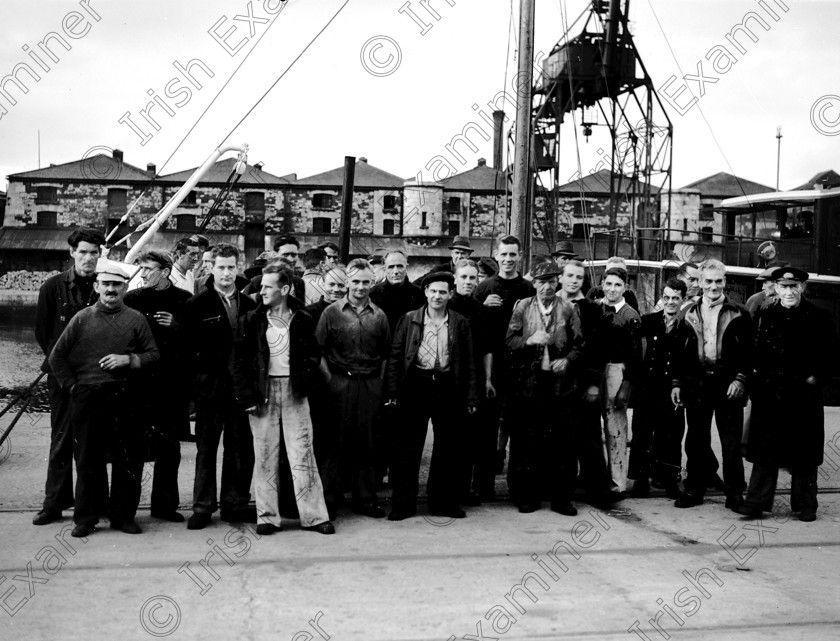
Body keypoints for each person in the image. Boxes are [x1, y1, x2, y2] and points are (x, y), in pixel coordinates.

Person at [49, 259, 159, 537]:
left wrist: (129, 359)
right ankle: (86, 518)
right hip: (88, 398)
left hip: (126, 398)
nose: (111, 289)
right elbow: (56, 357)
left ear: (125, 288)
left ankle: (123, 516)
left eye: (117, 285)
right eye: (106, 284)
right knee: (88, 459)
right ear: (97, 286)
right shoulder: (82, 318)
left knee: (128, 460)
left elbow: (154, 355)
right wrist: (74, 388)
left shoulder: (136, 319)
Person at [232, 264, 334, 535]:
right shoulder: (251, 320)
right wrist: (247, 396)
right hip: (262, 394)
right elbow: (239, 361)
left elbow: (313, 355)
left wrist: (305, 380)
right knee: (265, 454)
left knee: (302, 453)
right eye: (261, 286)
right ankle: (267, 517)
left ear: (285, 289)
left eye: (267, 286)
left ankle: (314, 517)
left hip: (294, 392)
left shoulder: (302, 318)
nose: (261, 290)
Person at [737, 267, 837, 522]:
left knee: (804, 451)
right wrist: (757, 382)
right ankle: (756, 503)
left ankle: (806, 505)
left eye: (794, 287)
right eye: (784, 286)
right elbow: (753, 351)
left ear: (803, 287)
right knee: (764, 451)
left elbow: (832, 356)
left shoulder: (819, 317)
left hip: (803, 396)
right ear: (776, 288)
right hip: (770, 394)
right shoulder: (764, 314)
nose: (789, 292)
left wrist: (817, 377)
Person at [386, 271, 479, 521]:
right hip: (415, 385)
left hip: (447, 386)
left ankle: (442, 503)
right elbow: (396, 357)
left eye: (442, 292)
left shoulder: (459, 322)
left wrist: (471, 396)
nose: (437, 296)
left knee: (447, 448)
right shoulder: (409, 319)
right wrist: (393, 391)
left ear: (450, 294)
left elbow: (469, 361)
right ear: (426, 292)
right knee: (408, 447)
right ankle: (403, 505)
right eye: (433, 291)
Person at [32, 227, 106, 526]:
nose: (89, 258)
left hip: (97, 378)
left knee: (95, 442)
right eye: (83, 252)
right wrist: (63, 370)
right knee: (61, 439)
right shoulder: (53, 287)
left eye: (94, 252)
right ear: (72, 253)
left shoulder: (106, 285)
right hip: (63, 378)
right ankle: (55, 503)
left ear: (101, 254)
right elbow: (43, 333)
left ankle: (96, 502)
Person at [183, 244, 258, 529]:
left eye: (231, 267)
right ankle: (202, 507)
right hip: (209, 391)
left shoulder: (251, 306)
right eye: (221, 267)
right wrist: (195, 391)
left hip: (240, 392)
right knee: (206, 449)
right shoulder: (196, 306)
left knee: (239, 448)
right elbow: (186, 353)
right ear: (211, 268)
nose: (226, 273)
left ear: (238, 268)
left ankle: (234, 504)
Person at [671, 259, 751, 510]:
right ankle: (694, 490)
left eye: (718, 281)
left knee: (731, 442)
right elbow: (678, 354)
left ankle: (735, 493)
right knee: (696, 439)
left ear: (725, 282)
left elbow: (749, 353)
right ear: (700, 283)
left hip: (728, 384)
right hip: (696, 384)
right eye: (708, 281)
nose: (713, 286)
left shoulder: (740, 312)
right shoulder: (687, 313)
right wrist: (676, 383)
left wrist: (740, 379)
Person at [505, 262, 584, 515]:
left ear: (558, 282)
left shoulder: (569, 309)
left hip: (560, 386)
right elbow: (509, 341)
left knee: (562, 444)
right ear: (535, 283)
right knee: (527, 442)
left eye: (552, 281)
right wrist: (528, 340)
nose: (547, 286)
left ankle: (562, 499)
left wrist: (568, 359)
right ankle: (526, 496)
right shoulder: (522, 306)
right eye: (542, 281)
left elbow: (580, 344)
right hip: (529, 384)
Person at [315, 258, 391, 518]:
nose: (360, 287)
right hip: (339, 383)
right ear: (347, 281)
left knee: (366, 444)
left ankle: (366, 500)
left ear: (373, 283)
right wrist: (331, 381)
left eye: (366, 282)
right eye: (355, 281)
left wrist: (378, 385)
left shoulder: (379, 316)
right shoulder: (332, 312)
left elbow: (385, 355)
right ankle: (329, 501)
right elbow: (319, 351)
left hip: (368, 385)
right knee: (334, 445)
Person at [124, 250, 193, 522]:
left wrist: (176, 326)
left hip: (171, 387)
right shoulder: (132, 300)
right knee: (134, 448)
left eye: (148, 269)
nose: (142, 274)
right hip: (139, 385)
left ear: (165, 271)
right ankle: (127, 509)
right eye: (140, 268)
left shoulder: (184, 301)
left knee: (169, 448)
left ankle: (164, 507)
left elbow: (193, 346)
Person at [474, 235, 535, 480]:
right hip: (493, 363)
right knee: (488, 425)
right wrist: (482, 306)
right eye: (504, 254)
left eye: (513, 254)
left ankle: (518, 486)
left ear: (519, 256)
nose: (508, 259)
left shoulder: (528, 289)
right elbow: (471, 326)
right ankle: (484, 482)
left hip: (521, 365)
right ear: (497, 256)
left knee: (519, 425)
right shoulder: (484, 288)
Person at [628, 278, 691, 499]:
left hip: (673, 390)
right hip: (647, 388)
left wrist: (679, 384)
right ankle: (640, 480)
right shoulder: (648, 321)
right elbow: (635, 352)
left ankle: (671, 482)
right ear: (661, 298)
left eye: (675, 298)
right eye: (667, 297)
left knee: (671, 436)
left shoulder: (687, 326)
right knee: (641, 435)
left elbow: (689, 361)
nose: (670, 302)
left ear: (683, 300)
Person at [558, 260, 611, 505]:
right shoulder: (550, 303)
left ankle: (597, 491)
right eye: (569, 275)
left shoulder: (592, 309)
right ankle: (561, 492)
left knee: (589, 438)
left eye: (578, 277)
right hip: (555, 382)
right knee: (561, 439)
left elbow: (599, 351)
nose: (574, 280)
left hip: (584, 382)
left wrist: (593, 385)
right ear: (561, 277)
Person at [304, 264, 348, 517]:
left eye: (341, 285)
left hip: (346, 383)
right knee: (319, 443)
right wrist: (328, 377)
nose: (336, 289)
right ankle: (318, 497)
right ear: (322, 283)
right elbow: (311, 352)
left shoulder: (350, 312)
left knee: (338, 443)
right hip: (320, 387)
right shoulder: (310, 314)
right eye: (331, 284)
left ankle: (334, 492)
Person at [449, 259, 493, 504]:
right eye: (463, 277)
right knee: (452, 437)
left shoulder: (481, 310)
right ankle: (451, 490)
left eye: (472, 278)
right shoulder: (446, 306)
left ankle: (468, 490)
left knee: (472, 437)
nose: (467, 282)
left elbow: (487, 348)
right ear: (455, 279)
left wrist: (487, 379)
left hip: (474, 378)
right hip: (450, 377)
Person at [598, 267, 642, 500]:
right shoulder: (595, 309)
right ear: (602, 284)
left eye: (617, 285)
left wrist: (626, 385)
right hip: (596, 368)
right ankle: (595, 477)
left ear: (624, 287)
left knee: (615, 426)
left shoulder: (630, 315)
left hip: (618, 369)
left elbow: (635, 356)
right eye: (608, 284)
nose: (612, 289)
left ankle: (617, 482)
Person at [370, 250, 425, 332]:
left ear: (406, 268)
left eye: (400, 266)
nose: (395, 271)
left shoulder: (419, 294)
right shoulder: (373, 293)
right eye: (391, 267)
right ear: (385, 269)